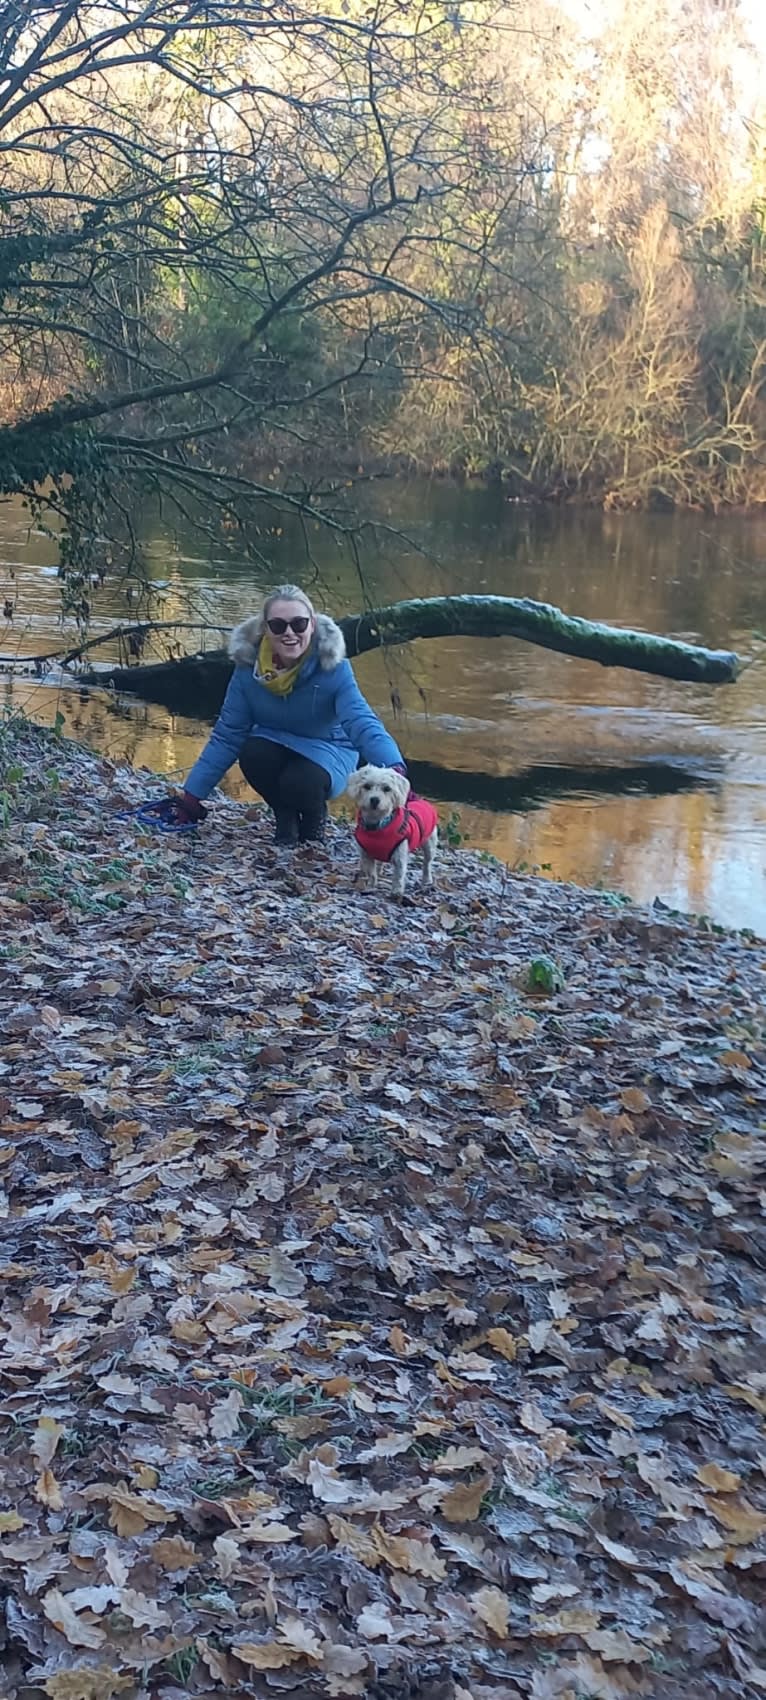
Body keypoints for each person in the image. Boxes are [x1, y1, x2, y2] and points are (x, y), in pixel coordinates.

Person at [169, 584, 407, 846]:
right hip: (274, 742)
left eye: (299, 624)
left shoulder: (334, 668)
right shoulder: (248, 669)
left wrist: (395, 768)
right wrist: (191, 798)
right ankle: (284, 816)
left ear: (312, 625)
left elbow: (361, 721)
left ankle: (314, 820)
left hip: (328, 750)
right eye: (278, 626)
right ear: (265, 629)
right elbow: (227, 735)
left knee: (300, 781)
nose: (289, 633)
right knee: (252, 752)